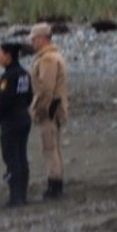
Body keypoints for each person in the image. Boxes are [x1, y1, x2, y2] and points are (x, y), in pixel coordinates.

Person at [28, 23, 69, 200]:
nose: (32, 43)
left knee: (50, 147)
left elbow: (46, 89)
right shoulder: (54, 56)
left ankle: (54, 185)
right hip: (55, 107)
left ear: (41, 39)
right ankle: (56, 182)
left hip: (50, 109)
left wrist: (39, 109)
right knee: (53, 147)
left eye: (34, 39)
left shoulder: (48, 59)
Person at [0, 41, 34, 207]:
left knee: (11, 158)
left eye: (0, 54)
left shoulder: (8, 77)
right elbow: (30, 96)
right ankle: (22, 194)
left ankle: (15, 196)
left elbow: (4, 101)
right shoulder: (24, 74)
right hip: (24, 117)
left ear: (8, 56)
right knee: (21, 156)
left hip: (11, 120)